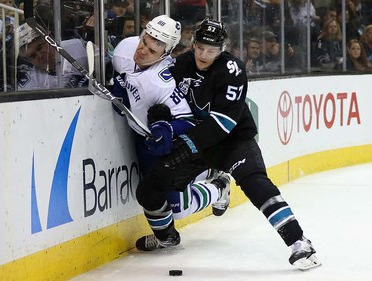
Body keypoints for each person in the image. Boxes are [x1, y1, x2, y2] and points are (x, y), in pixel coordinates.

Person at [134, 18, 321, 271]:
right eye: (200, 47)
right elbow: (167, 98)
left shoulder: (232, 70)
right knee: (149, 188)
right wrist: (160, 118)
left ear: (222, 49)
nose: (203, 54)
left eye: (211, 50)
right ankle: (166, 237)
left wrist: (187, 143)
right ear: (193, 43)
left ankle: (300, 243)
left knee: (256, 184)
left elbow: (222, 123)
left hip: (233, 140)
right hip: (200, 140)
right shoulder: (181, 64)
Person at [111, 15, 231, 221]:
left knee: (179, 209)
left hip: (164, 144)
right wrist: (118, 85)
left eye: (152, 50)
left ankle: (218, 189)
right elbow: (118, 72)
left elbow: (187, 121)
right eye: (144, 41)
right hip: (141, 139)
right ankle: (166, 238)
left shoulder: (162, 81)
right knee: (151, 195)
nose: (142, 50)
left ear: (165, 53)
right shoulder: (125, 49)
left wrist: (167, 130)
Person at [17, 23, 88, 90]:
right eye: (33, 56)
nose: (40, 56)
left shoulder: (78, 46)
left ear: (49, 39)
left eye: (39, 48)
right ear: (28, 60)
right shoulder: (31, 84)